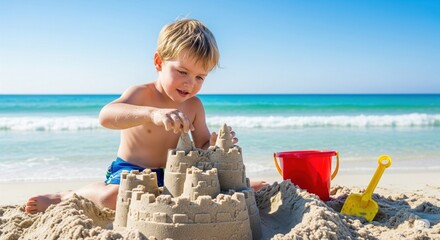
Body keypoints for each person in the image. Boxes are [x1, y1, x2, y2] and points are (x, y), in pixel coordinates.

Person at [25, 19, 268, 214]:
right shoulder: (141, 94)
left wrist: (214, 144)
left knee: (207, 189)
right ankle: (65, 196)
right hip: (131, 171)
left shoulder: (194, 106)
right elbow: (106, 116)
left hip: (173, 173)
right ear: (158, 62)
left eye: (199, 77)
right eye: (182, 71)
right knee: (113, 197)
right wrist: (151, 114)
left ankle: (240, 186)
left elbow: (202, 143)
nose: (189, 83)